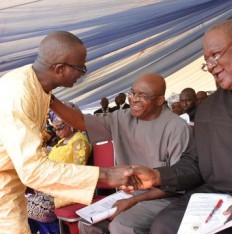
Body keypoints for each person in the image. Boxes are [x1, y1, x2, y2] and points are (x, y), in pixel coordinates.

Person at [129, 19, 232, 233]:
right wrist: (156, 176)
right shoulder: (209, 109)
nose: (210, 67)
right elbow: (195, 163)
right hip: (222, 204)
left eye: (215, 55)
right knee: (166, 225)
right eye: (206, 61)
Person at [0, 31, 134, 233]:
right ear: (59, 69)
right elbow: (33, 170)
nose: (82, 74)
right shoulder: (18, 94)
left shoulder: (38, 86)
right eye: (81, 68)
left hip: (13, 183)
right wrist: (105, 174)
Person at [50, 73, 196, 234]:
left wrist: (134, 201)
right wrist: (50, 99)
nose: (133, 99)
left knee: (122, 226)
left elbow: (178, 183)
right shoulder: (121, 117)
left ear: (160, 100)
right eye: (132, 93)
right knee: (87, 223)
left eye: (142, 96)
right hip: (127, 195)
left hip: (163, 198)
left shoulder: (176, 128)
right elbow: (80, 122)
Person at [27, 103, 92, 233]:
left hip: (67, 189)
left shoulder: (79, 141)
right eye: (55, 128)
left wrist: (51, 184)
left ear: (71, 123)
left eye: (60, 127)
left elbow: (77, 173)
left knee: (37, 209)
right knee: (21, 205)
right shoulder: (61, 142)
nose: (57, 132)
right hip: (53, 187)